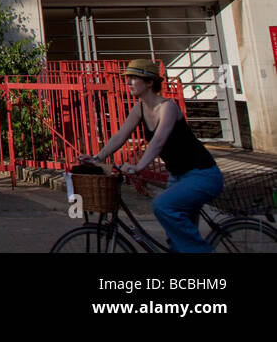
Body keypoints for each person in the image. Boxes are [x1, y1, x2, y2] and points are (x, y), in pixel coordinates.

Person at [80, 59, 223, 253]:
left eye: (134, 78)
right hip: (177, 176)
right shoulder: (139, 108)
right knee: (176, 242)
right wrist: (98, 157)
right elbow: (121, 135)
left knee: (162, 206)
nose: (128, 82)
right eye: (128, 78)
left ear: (149, 82)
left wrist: (139, 166)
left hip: (202, 175)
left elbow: (159, 141)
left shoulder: (168, 107)